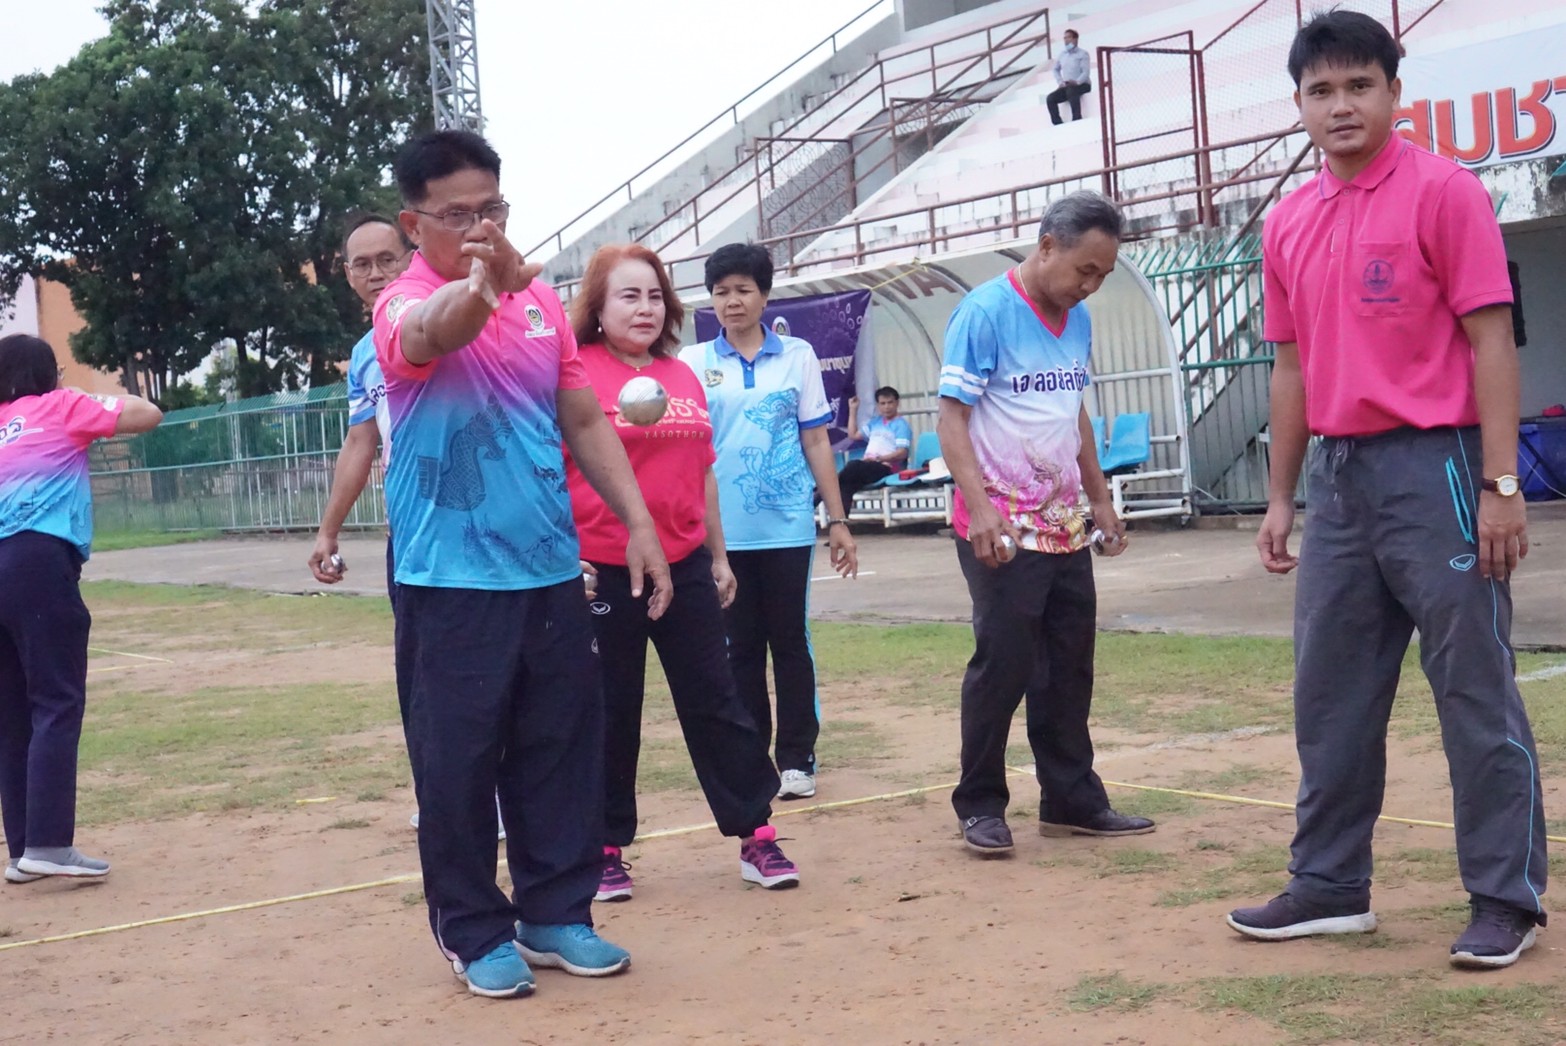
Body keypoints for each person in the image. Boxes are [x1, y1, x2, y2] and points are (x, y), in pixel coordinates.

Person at [1226, 11, 1547, 970]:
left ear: (1394, 94)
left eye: (1359, 86)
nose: (1341, 106)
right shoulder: (1288, 219)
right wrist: (1280, 496)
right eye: (1320, 91)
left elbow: (1492, 340)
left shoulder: (1446, 193)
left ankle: (1506, 898)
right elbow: (1288, 368)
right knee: (1329, 693)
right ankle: (1328, 886)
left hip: (1439, 467)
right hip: (1338, 477)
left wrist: (1501, 485)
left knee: (1473, 689)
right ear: (1298, 106)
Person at [374, 129, 670, 999]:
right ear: (414, 220)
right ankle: (473, 928)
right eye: (456, 214)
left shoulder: (541, 305)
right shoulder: (401, 301)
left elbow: (582, 420)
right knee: (457, 761)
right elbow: (439, 330)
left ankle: (555, 914)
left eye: (491, 210)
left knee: (559, 751)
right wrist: (481, 280)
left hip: (549, 569)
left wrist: (639, 524)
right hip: (449, 578)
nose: (477, 227)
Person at [564, 243, 800, 902]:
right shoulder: (574, 373)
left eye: (652, 296)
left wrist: (717, 556)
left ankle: (757, 834)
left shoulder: (684, 376)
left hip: (685, 563)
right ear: (599, 307)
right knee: (611, 710)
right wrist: (566, 559)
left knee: (717, 699)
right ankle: (606, 849)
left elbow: (702, 474)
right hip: (603, 570)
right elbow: (550, 474)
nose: (643, 308)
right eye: (627, 296)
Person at [937, 191, 1155, 858]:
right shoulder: (986, 313)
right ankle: (980, 805)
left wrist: (1101, 499)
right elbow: (952, 419)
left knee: (1068, 668)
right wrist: (979, 510)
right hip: (1002, 528)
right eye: (1084, 270)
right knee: (1003, 665)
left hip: (1065, 528)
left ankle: (1071, 801)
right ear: (1048, 246)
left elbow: (1073, 414)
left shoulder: (1078, 321)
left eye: (1103, 276)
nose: (1089, 285)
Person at [677, 243, 858, 802]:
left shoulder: (797, 355)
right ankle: (753, 756)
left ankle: (798, 757)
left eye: (743, 290)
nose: (732, 301)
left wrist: (838, 520)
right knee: (739, 647)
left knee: (790, 640)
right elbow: (687, 449)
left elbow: (814, 440)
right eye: (721, 291)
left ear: (764, 294)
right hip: (720, 533)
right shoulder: (691, 363)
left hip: (786, 526)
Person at [0, 334, 162, 883]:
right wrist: (75, 395)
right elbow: (148, 413)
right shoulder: (63, 406)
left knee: (13, 714)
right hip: (38, 561)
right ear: (51, 373)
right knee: (56, 700)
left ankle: (24, 847)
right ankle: (48, 843)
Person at [308, 212, 410, 592]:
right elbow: (360, 442)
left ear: (411, 259)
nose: (376, 274)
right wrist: (327, 533)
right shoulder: (363, 355)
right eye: (363, 265)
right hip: (406, 530)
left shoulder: (450, 321)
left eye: (387, 259)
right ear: (349, 276)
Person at [836, 386, 913, 507]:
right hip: (867, 467)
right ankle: (841, 521)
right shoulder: (875, 422)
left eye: (890, 402)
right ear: (878, 405)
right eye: (883, 403)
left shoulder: (901, 425)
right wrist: (853, 410)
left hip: (885, 468)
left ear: (897, 403)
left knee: (852, 466)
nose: (887, 407)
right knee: (847, 485)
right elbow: (853, 435)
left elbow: (902, 452)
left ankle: (824, 489)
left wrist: (879, 459)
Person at [1046, 30, 1092, 125]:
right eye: (1065, 38)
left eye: (1069, 37)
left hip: (1082, 84)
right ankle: (1057, 123)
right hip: (1068, 85)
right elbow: (1055, 69)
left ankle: (1077, 118)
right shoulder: (1062, 54)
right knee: (1050, 98)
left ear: (1075, 39)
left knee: (1071, 91)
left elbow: (1085, 72)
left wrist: (1077, 82)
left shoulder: (1083, 54)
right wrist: (1060, 82)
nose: (1066, 40)